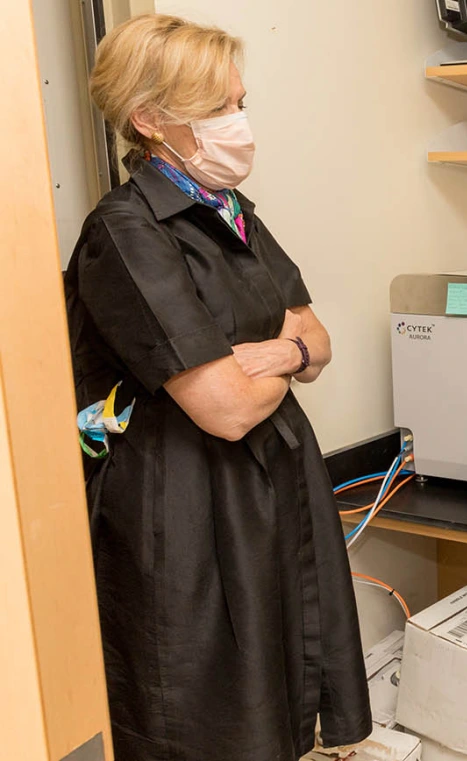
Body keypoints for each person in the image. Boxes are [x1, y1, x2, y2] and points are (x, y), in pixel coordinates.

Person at [65, 15, 370, 761]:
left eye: (240, 101)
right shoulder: (127, 233)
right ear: (149, 119)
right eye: (218, 109)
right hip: (187, 506)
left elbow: (318, 337)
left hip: (269, 489)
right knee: (209, 717)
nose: (241, 124)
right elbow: (225, 408)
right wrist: (279, 359)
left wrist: (273, 351)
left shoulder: (229, 212)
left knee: (279, 694)